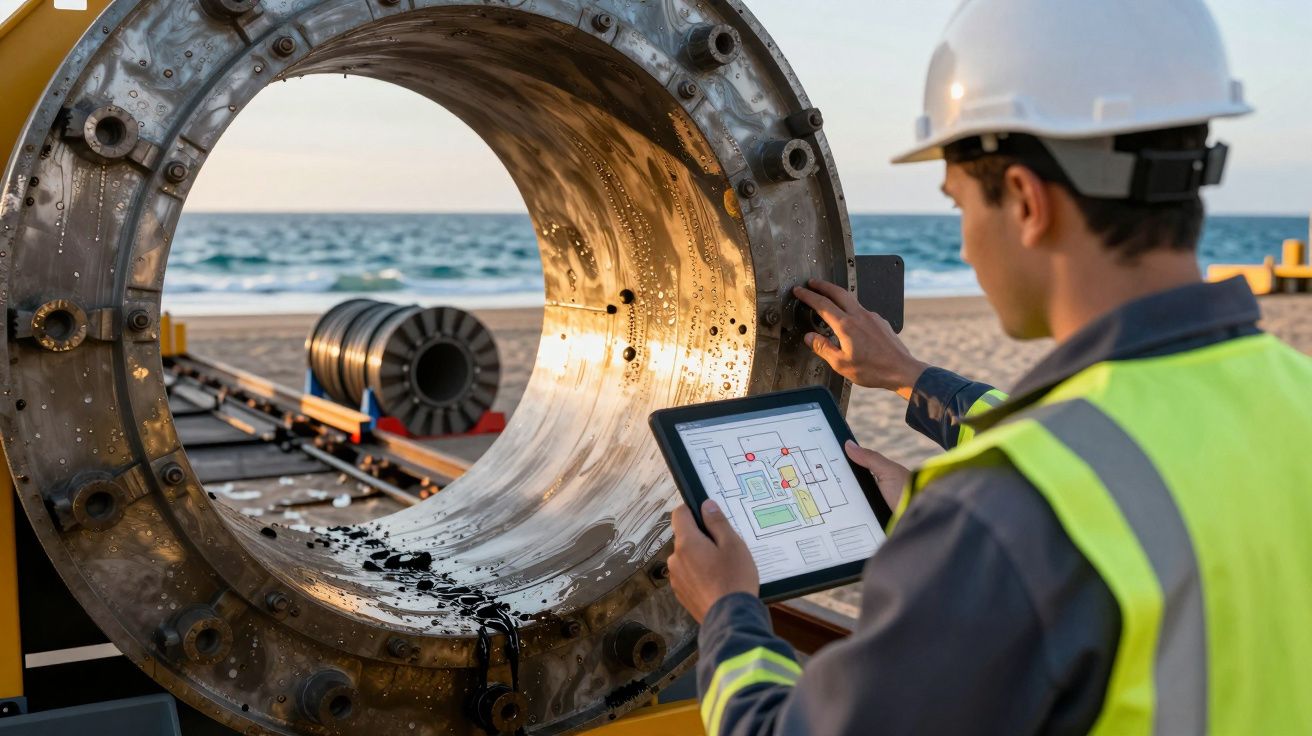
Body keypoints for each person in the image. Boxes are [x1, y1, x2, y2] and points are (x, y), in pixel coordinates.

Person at [667, 0, 1312, 734]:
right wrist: (913, 378)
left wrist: (727, 613)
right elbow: (1143, 465)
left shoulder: (1005, 516)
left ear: (1027, 203)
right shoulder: (1295, 394)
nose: (968, 248)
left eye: (959, 205)